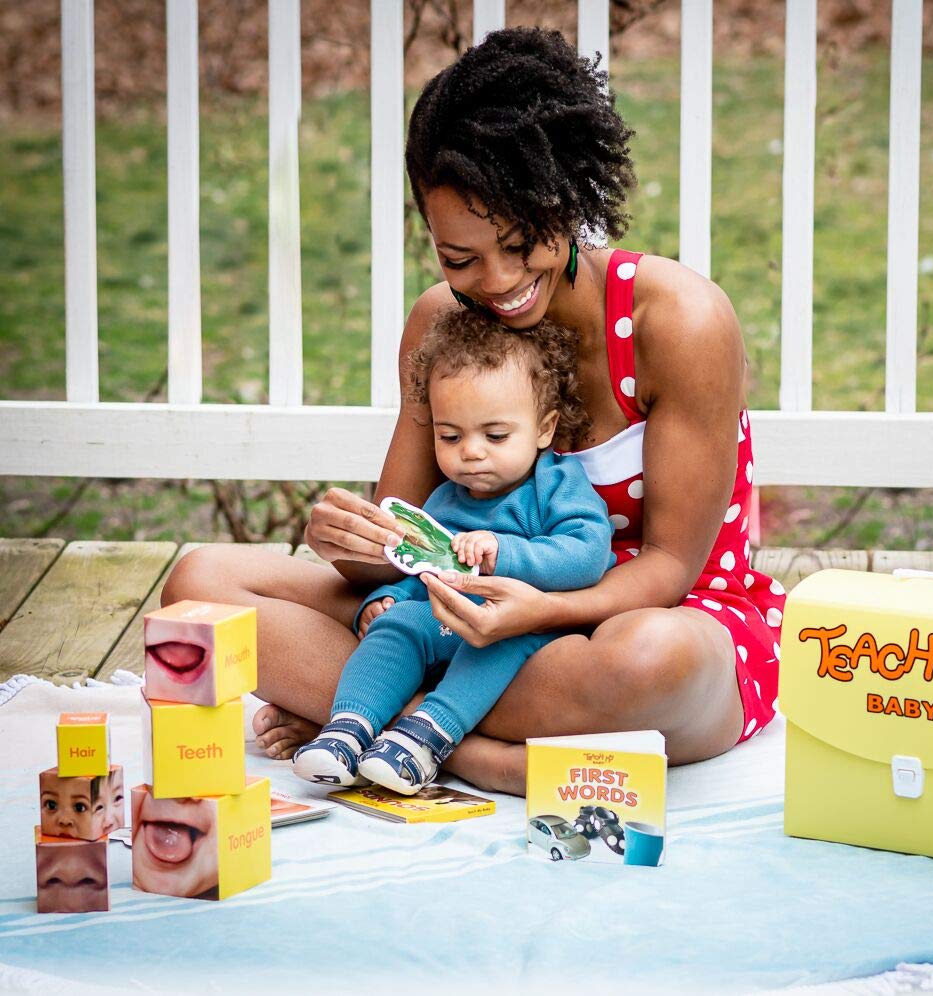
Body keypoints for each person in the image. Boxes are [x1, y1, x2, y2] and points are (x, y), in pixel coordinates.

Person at [160, 26, 786, 797]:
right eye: (460, 258)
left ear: (567, 192)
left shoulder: (678, 323)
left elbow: (669, 568)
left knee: (650, 658)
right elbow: (400, 548)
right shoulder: (443, 326)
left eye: (523, 243)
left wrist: (538, 611)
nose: (498, 283)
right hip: (458, 615)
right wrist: (348, 540)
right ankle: (472, 751)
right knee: (199, 581)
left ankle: (378, 720)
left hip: (636, 616)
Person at [292, 308, 613, 792]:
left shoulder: (554, 485)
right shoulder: (445, 498)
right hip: (447, 618)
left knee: (497, 647)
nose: (472, 451)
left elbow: (587, 553)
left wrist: (502, 551)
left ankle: (427, 736)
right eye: (451, 436)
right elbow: (425, 565)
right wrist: (395, 599)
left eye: (496, 435)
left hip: (523, 623)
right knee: (396, 628)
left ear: (543, 429)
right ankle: (348, 728)